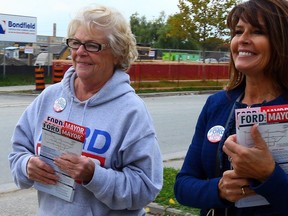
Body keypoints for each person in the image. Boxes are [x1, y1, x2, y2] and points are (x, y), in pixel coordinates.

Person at [8, 5, 163, 216]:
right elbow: (18, 153)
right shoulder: (50, 97)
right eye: (76, 43)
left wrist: (94, 176)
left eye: (92, 45)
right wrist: (27, 165)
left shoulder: (131, 111)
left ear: (117, 53)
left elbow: (145, 189)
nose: (80, 52)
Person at [174, 0, 288, 215]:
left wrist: (269, 175)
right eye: (238, 31)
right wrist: (219, 190)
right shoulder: (216, 104)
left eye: (257, 32)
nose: (243, 40)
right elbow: (182, 186)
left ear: (281, 42)